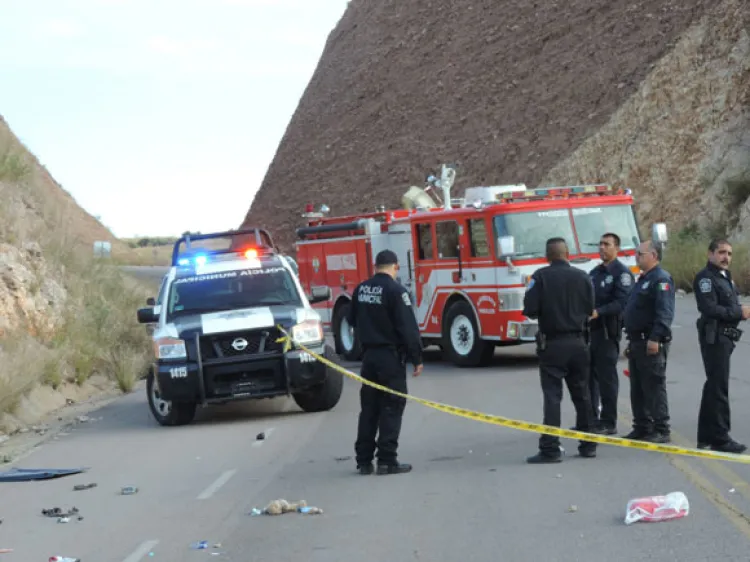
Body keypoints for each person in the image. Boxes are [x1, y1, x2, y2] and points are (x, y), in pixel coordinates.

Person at [346, 249, 423, 475]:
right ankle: (387, 460)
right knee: (392, 407)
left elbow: (351, 319)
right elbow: (408, 329)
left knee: (369, 408)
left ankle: (364, 461)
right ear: (396, 267)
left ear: (375, 266)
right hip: (390, 357)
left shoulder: (360, 289)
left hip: (369, 357)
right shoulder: (396, 291)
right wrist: (417, 358)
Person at [522, 237, 597, 463]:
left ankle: (551, 447)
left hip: (553, 344)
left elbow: (530, 310)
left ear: (548, 256)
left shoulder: (540, 277)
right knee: (583, 395)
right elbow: (589, 308)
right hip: (579, 343)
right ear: (568, 254)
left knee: (553, 397)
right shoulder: (583, 277)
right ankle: (589, 444)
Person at [693, 239, 750, 453]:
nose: (726, 257)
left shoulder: (725, 277)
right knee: (719, 387)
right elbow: (709, 308)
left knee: (713, 385)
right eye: (721, 253)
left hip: (726, 336)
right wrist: (739, 312)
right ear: (710, 254)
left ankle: (705, 435)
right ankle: (720, 438)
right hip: (714, 336)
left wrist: (739, 310)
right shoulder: (705, 279)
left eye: (729, 253)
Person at [622, 240, 675, 443]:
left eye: (640, 254)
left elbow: (664, 312)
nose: (636, 257)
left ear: (653, 255)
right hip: (637, 341)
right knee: (638, 387)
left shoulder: (661, 279)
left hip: (650, 341)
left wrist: (656, 338)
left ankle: (661, 428)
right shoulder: (643, 279)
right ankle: (642, 426)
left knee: (654, 385)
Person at [587, 233, 635, 435]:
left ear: (616, 248)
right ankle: (591, 419)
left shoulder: (621, 274)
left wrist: (599, 311)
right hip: (591, 332)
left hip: (608, 330)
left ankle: (609, 421)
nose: (602, 247)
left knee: (607, 378)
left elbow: (623, 303)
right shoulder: (595, 272)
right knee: (590, 377)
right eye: (600, 244)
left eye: (606, 244)